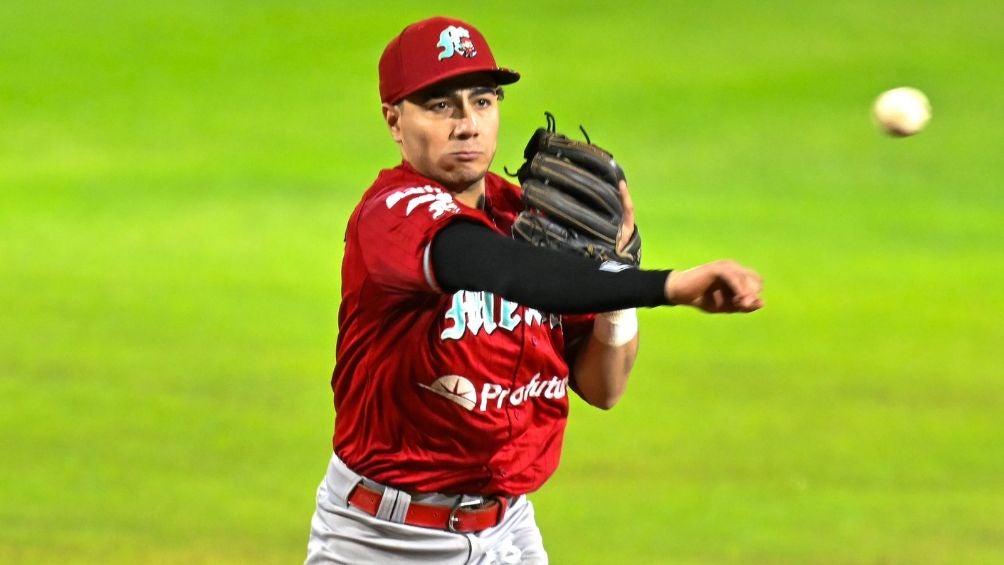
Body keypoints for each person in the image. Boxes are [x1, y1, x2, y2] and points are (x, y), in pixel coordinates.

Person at [305, 15, 763, 565]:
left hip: (508, 528)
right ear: (394, 121)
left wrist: (615, 284)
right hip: (387, 539)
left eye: (482, 101)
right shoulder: (392, 216)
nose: (467, 125)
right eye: (441, 105)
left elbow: (603, 388)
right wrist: (666, 285)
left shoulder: (530, 218)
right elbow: (502, 270)